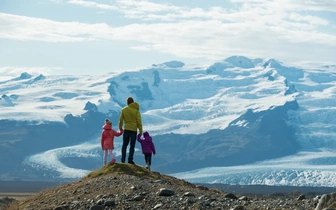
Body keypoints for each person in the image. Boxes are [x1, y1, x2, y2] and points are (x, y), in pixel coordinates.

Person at [118, 97, 143, 164]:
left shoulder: (124, 110)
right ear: (133, 102)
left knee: (124, 145)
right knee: (132, 146)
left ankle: (123, 159)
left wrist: (120, 128)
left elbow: (120, 120)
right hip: (134, 130)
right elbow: (139, 122)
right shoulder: (136, 111)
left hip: (126, 129)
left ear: (127, 102)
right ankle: (130, 160)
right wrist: (140, 131)